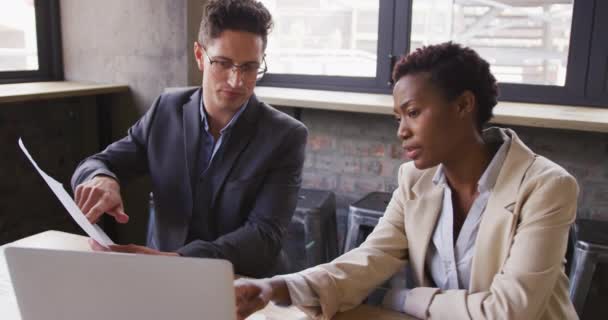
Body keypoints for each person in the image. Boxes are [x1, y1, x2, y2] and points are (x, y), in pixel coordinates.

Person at [235, 42, 579, 319]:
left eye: (413, 113)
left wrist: (406, 299)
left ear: (464, 105)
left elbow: (509, 312)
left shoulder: (546, 187)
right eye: (398, 117)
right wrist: (275, 288)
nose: (402, 131)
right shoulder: (415, 180)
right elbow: (368, 259)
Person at [71, 0, 307, 277]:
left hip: (241, 283)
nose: (236, 80)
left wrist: (179, 259)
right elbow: (100, 162)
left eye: (249, 67)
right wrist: (102, 178)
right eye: (223, 63)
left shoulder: (285, 136)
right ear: (199, 55)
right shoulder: (166, 109)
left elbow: (265, 236)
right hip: (160, 277)